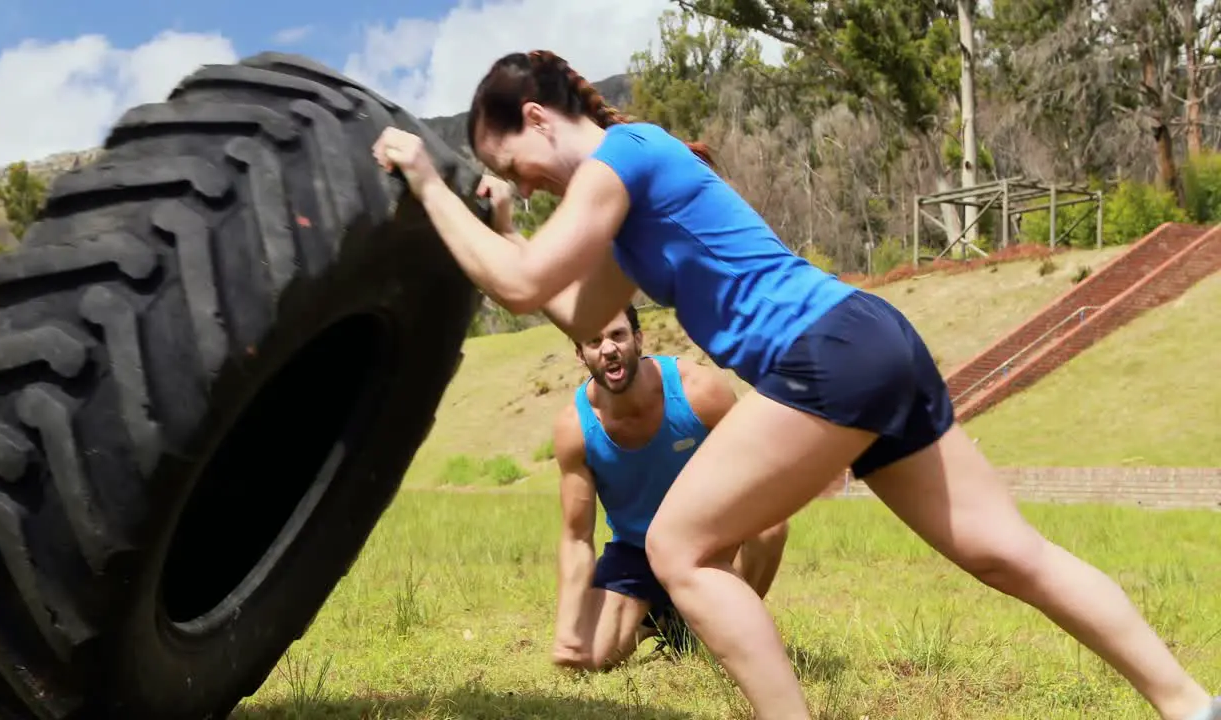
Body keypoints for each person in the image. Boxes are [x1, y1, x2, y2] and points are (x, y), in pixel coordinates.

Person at [370, 50, 1218, 720]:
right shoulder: (625, 215)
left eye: (511, 165)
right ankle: (1189, 705)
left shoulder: (623, 156)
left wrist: (424, 180)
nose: (518, 182)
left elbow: (518, 287)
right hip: (869, 336)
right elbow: (564, 309)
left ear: (535, 117)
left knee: (676, 550)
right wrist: (510, 228)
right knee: (1009, 553)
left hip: (825, 352)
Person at [550, 303, 788, 672]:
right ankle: (664, 618)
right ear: (581, 355)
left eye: (617, 335)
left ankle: (718, 631)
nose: (608, 348)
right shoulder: (575, 428)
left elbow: (757, 475)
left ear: (638, 339)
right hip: (636, 549)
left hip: (706, 539)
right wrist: (567, 625)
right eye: (594, 341)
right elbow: (577, 537)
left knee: (770, 525)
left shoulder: (699, 391)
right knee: (590, 660)